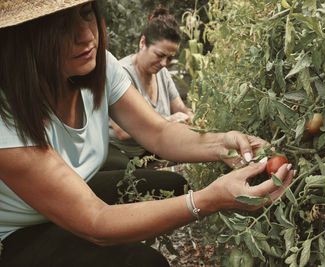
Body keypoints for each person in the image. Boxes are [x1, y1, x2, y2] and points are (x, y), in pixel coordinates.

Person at [0, 1, 295, 266]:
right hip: (19, 234)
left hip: (77, 192)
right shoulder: (6, 118)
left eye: (87, 13)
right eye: (62, 25)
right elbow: (96, 220)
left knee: (172, 185)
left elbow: (159, 133)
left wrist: (224, 143)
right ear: (25, 37)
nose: (87, 35)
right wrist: (209, 200)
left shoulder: (99, 67)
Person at [107, 6, 194, 163]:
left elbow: (181, 109)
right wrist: (169, 120)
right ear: (143, 42)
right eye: (160, 55)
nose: (164, 63)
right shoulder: (121, 74)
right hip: (125, 156)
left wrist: (196, 120)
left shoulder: (162, 73)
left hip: (154, 150)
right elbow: (121, 132)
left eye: (169, 58)